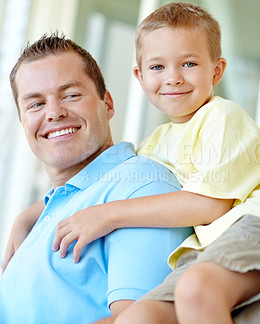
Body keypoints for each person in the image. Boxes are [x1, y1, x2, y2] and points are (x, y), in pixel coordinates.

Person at [3, 3, 260, 323]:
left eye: (188, 64)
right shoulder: (157, 143)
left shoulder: (221, 118)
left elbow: (212, 204)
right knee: (143, 315)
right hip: (218, 240)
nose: (173, 78)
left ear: (216, 70)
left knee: (196, 290)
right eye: (158, 67)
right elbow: (95, 185)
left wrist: (106, 214)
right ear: (140, 76)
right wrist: (28, 217)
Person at [0, 33, 193, 324]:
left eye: (71, 95)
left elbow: (140, 320)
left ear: (108, 104)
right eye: (35, 104)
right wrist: (27, 217)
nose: (54, 112)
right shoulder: (52, 207)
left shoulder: (142, 187)